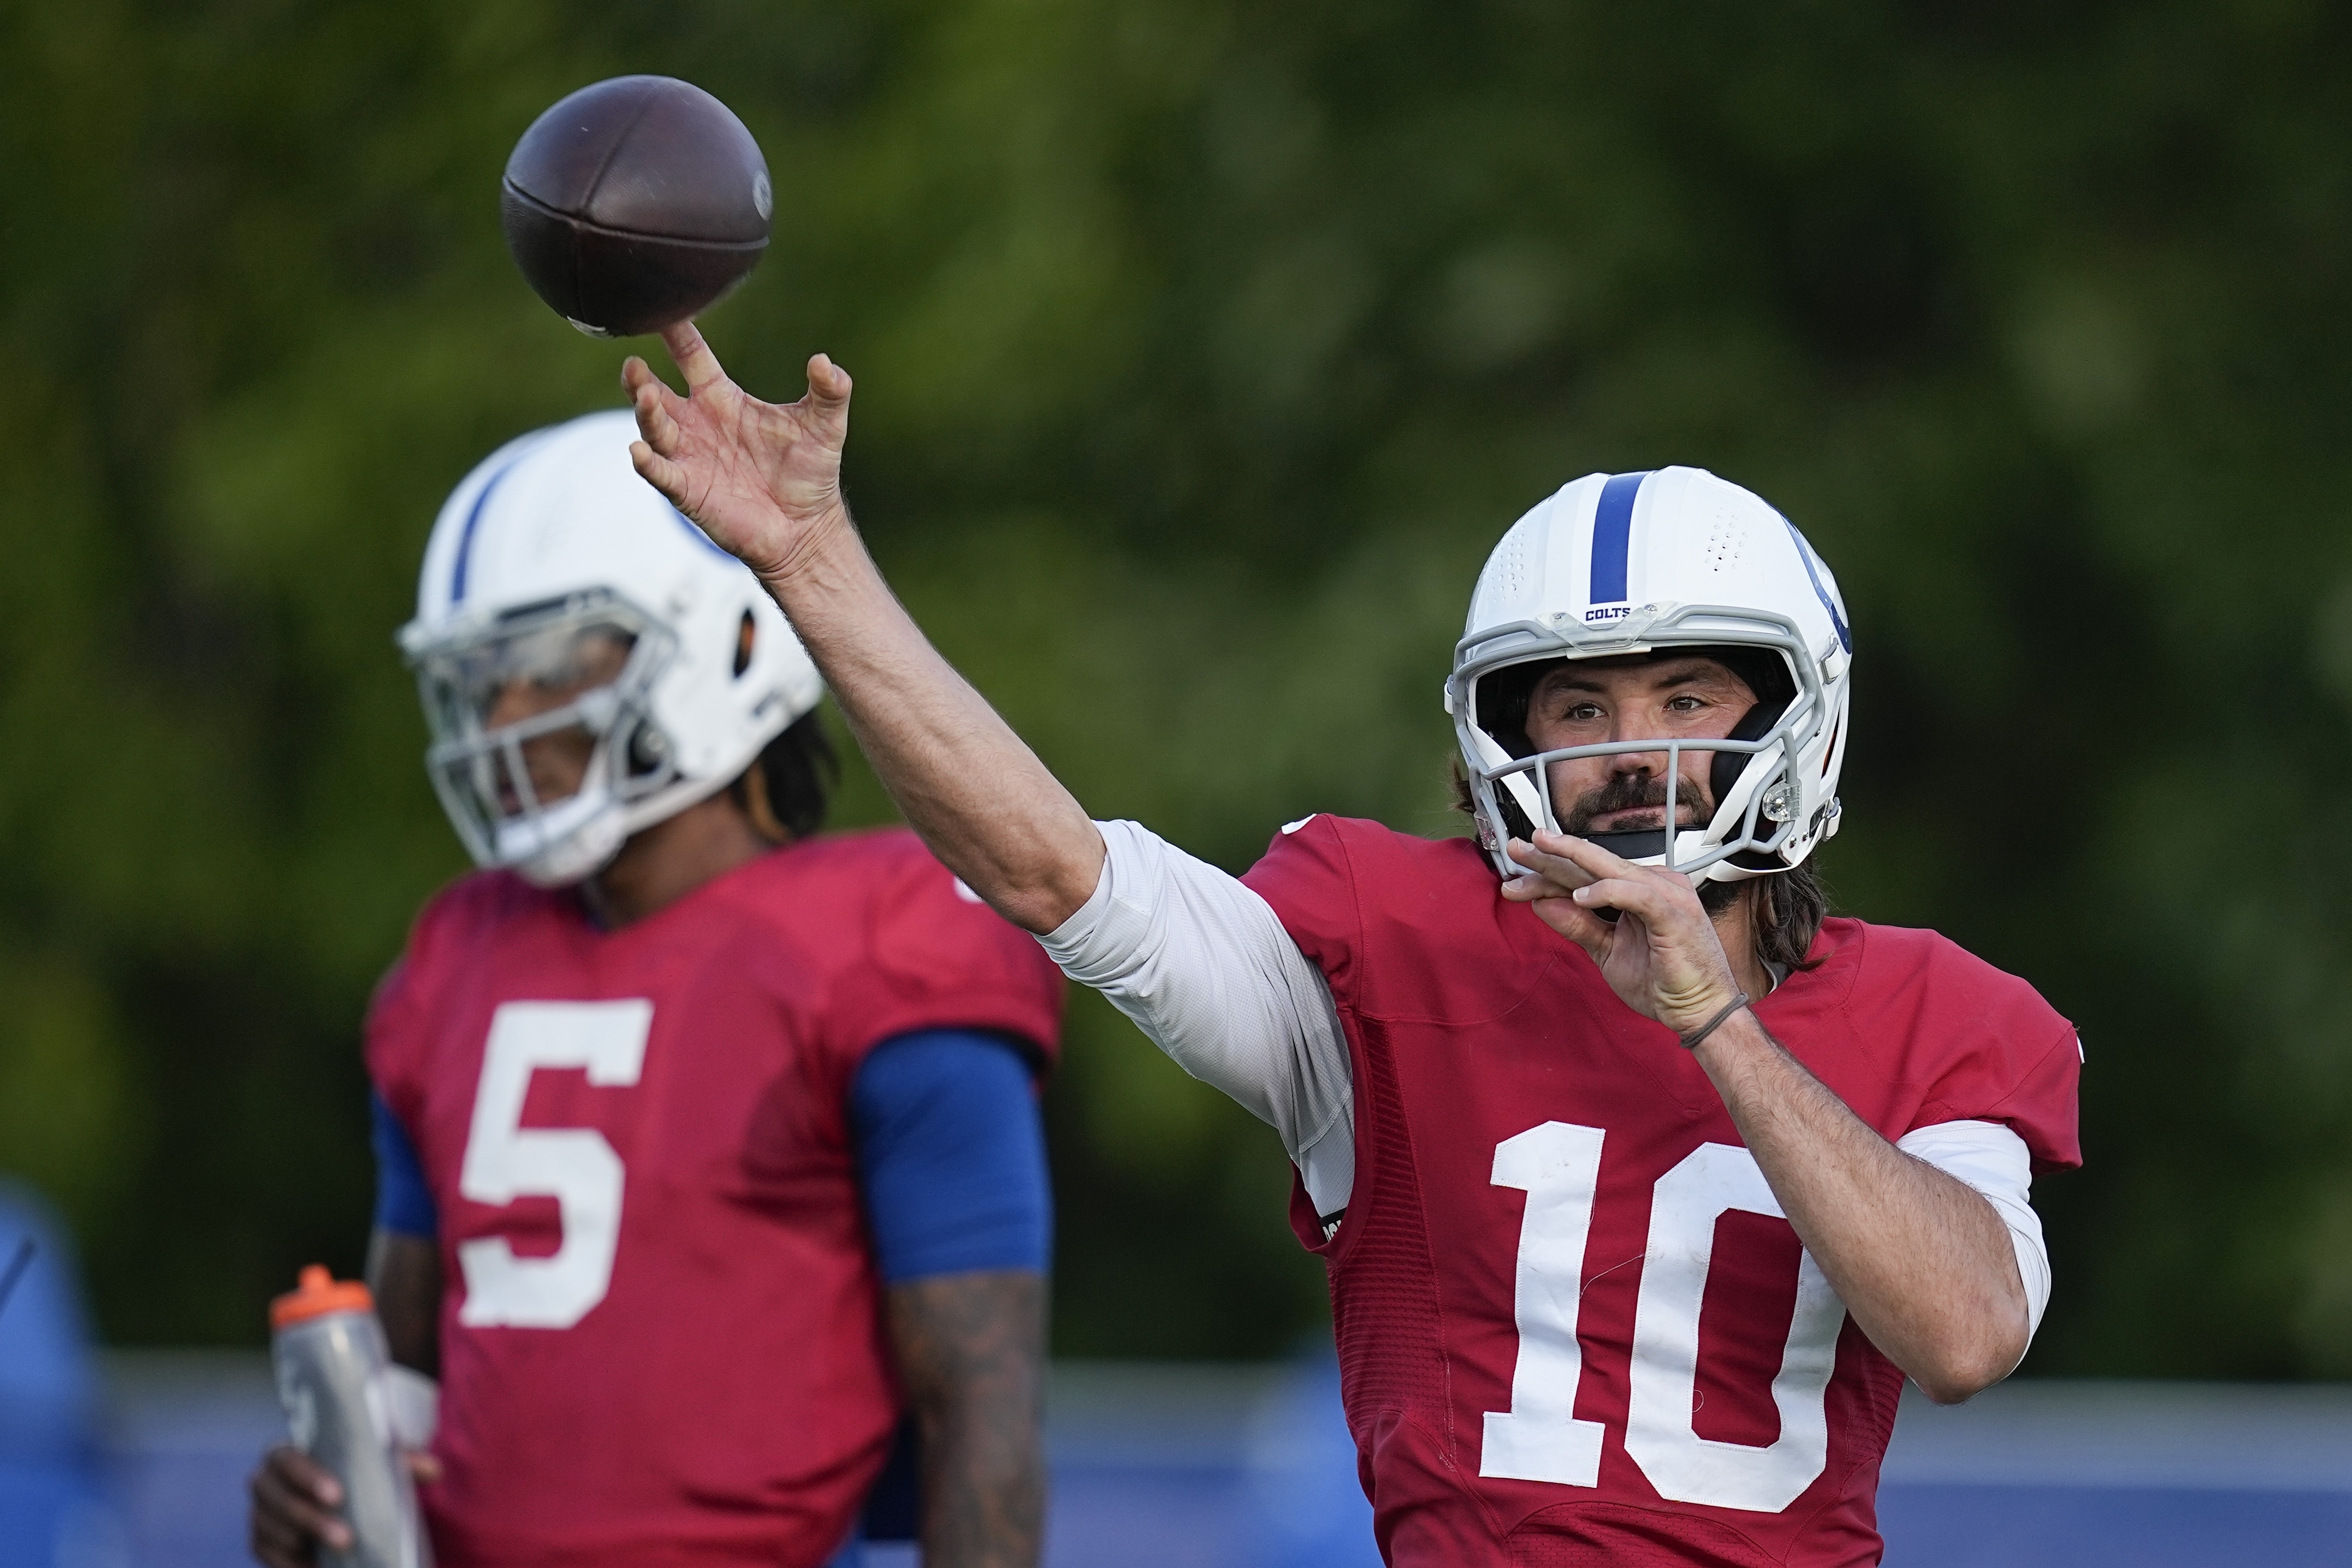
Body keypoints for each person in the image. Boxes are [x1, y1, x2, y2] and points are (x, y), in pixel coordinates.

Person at [614, 328, 2082, 1567]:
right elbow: (1054, 870)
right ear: (1500, 745)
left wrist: (1715, 1023)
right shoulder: (1391, 953)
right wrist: (811, 562)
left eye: (1686, 695)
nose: (1632, 754)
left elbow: (1964, 1333)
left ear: (1792, 718)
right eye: (1576, 711)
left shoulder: (1933, 1012)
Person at [247, 411, 1066, 1568]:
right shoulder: (455, 956)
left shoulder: (886, 940)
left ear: (719, 641)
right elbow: (403, 1395)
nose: (503, 721)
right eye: (480, 682)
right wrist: (322, 1503)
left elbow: (982, 1410)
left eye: (541, 666)